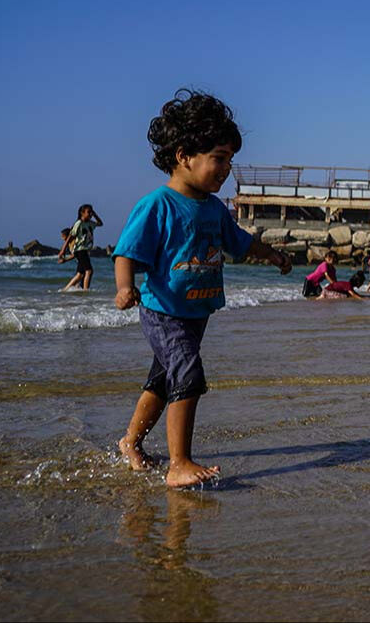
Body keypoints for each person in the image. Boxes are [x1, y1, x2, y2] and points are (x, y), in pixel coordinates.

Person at [113, 89, 292, 488]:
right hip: (164, 312)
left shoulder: (213, 208)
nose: (226, 168)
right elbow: (126, 252)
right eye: (219, 158)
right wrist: (125, 287)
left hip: (196, 314)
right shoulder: (158, 204)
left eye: (229, 159)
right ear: (183, 156)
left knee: (162, 381)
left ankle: (130, 442)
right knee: (189, 376)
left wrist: (274, 255)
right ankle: (180, 463)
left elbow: (240, 241)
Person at [58, 203, 103, 291]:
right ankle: (85, 291)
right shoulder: (78, 223)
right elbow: (70, 236)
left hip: (84, 250)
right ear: (82, 213)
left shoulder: (90, 223)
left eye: (91, 212)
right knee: (89, 271)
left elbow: (100, 223)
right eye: (88, 212)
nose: (90, 214)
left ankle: (65, 290)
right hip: (80, 250)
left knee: (80, 274)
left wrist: (95, 214)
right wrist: (63, 250)